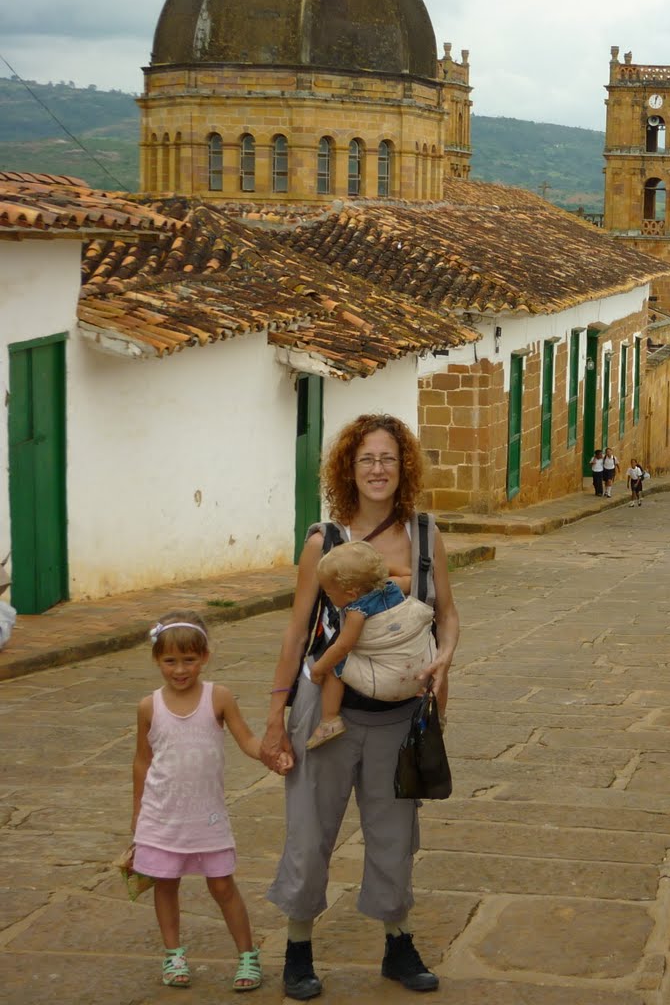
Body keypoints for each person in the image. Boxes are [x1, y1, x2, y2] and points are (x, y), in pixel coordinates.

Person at [259, 414, 458, 999]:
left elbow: (446, 614)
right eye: (367, 459)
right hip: (327, 712)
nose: (378, 469)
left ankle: (398, 944)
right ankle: (298, 948)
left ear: (404, 468)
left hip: (402, 715)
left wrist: (445, 658)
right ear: (350, 467)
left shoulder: (426, 535)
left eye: (389, 459)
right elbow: (297, 632)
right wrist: (275, 717)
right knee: (310, 833)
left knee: (396, 834)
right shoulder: (326, 540)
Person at [123, 610, 264, 991]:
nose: (180, 669)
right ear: (157, 660)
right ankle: (173, 955)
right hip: (161, 814)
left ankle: (248, 956)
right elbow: (142, 760)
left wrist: (270, 753)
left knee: (222, 886)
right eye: (170, 661)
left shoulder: (218, 697)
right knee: (165, 884)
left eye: (189, 660)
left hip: (206, 816)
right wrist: (138, 815)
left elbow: (247, 740)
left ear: (205, 657)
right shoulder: (148, 706)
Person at [304, 541, 436, 750]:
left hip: (387, 684)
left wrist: (319, 668)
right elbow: (410, 574)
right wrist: (380, 570)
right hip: (420, 676)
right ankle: (439, 714)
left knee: (334, 666)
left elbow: (343, 646)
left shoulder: (357, 611)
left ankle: (329, 721)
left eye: (329, 594)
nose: (329, 597)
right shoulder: (393, 587)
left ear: (350, 594)